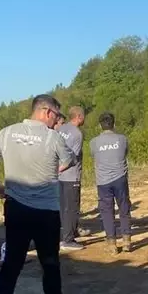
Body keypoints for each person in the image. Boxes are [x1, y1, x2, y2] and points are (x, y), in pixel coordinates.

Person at [0, 94, 78, 294]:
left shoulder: (8, 132)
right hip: (46, 212)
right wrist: (52, 171)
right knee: (49, 263)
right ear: (46, 112)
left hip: (16, 207)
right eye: (55, 116)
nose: (56, 122)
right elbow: (68, 162)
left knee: (12, 262)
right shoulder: (53, 138)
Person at [90, 112, 132, 253]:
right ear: (114, 124)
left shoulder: (93, 142)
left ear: (100, 126)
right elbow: (125, 153)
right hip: (120, 178)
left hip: (103, 181)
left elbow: (94, 155)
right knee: (124, 209)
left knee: (107, 211)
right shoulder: (122, 139)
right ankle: (126, 241)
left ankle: (112, 244)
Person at [56, 106, 85, 251]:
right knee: (72, 208)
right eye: (83, 116)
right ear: (79, 117)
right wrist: (59, 169)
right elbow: (72, 158)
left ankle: (69, 233)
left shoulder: (61, 129)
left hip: (60, 178)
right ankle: (68, 240)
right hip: (71, 176)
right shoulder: (77, 134)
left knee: (64, 208)